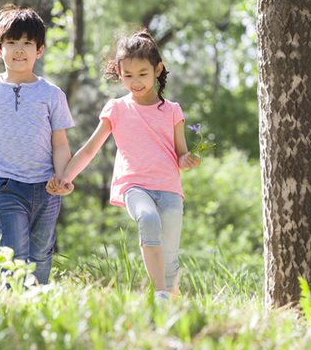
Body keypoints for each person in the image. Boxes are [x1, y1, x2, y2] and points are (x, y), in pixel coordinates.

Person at [47, 28, 201, 301]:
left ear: (158, 69)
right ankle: (160, 293)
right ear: (118, 74)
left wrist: (187, 160)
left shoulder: (172, 110)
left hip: (169, 187)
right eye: (127, 75)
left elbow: (181, 155)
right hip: (134, 185)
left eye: (142, 74)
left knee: (170, 254)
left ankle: (171, 306)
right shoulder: (116, 108)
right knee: (147, 219)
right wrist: (65, 177)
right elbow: (89, 149)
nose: (135, 82)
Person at [0, 4, 74, 286]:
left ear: (40, 50)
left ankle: (38, 304)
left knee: (41, 253)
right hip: (7, 184)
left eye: (27, 43)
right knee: (13, 253)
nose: (19, 49)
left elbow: (60, 143)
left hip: (47, 188)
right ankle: (12, 305)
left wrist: (63, 177)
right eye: (11, 42)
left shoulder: (52, 94)